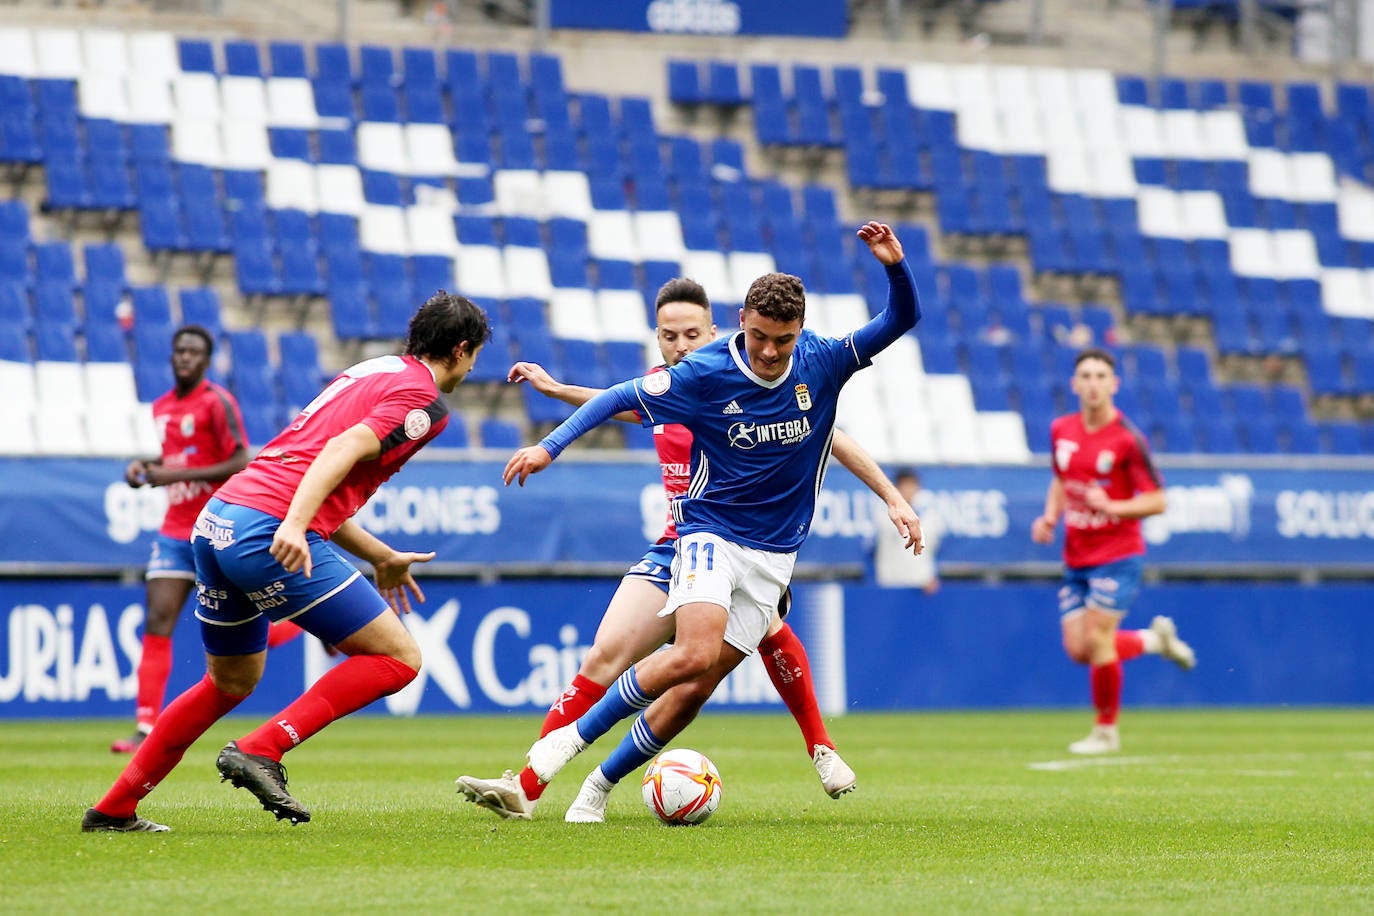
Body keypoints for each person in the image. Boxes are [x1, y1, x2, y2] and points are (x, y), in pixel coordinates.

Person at [496, 221, 920, 811]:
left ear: (800, 331)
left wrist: (895, 267)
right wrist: (550, 446)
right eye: (762, 336)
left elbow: (898, 323)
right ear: (743, 320)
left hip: (775, 553)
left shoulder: (821, 362)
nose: (771, 352)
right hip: (706, 531)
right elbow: (621, 397)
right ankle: (554, 754)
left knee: (699, 679)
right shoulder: (703, 373)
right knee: (685, 653)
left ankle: (596, 787)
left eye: (785, 339)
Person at [80, 291, 489, 832]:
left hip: (219, 517)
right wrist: (294, 525)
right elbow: (338, 452)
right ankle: (262, 749)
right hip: (268, 528)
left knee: (229, 682)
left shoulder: (374, 371)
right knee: (399, 659)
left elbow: (310, 470)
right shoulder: (424, 402)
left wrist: (382, 555)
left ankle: (113, 809)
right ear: (461, 350)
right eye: (476, 355)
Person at [1030, 347, 1196, 755]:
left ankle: (1106, 732)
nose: (1092, 383)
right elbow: (1061, 479)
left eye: (1101, 376)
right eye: (1085, 376)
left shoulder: (1127, 439)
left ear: (1114, 384)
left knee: (1099, 638)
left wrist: (1114, 507)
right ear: (1074, 384)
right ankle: (1155, 642)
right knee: (1079, 650)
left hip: (1119, 554)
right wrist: (1050, 516)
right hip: (1077, 556)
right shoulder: (1061, 430)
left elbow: (1158, 500)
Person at [112, 325, 252, 754]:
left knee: (257, 611)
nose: (184, 358)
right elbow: (177, 455)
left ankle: (301, 629)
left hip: (217, 527)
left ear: (206, 361)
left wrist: (171, 475)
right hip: (175, 530)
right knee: (158, 618)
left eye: (193, 352)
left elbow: (240, 459)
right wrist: (144, 466)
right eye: (179, 351)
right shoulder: (161, 407)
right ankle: (144, 726)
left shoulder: (217, 401)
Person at [873, 468, 943, 593]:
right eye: (905, 485)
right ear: (897, 488)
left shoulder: (930, 515)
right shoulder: (885, 513)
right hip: (891, 584)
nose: (909, 490)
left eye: (912, 485)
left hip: (921, 586)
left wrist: (929, 576)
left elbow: (931, 550)